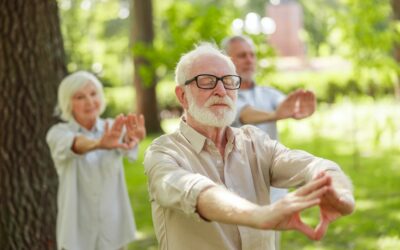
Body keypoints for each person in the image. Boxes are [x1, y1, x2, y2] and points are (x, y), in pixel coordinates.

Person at [143, 43, 355, 250]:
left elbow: (312, 165)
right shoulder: (163, 152)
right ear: (182, 96)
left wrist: (340, 192)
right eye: (206, 81)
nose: (221, 90)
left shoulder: (254, 141)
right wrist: (258, 215)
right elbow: (194, 191)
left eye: (228, 81)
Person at [222, 35, 317, 249]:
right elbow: (245, 115)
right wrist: (275, 115)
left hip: (272, 188)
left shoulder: (268, 93)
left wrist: (297, 108)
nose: (249, 60)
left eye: (252, 55)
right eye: (242, 55)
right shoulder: (224, 96)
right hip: (236, 188)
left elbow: (286, 104)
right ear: (227, 60)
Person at [46, 71, 146, 250]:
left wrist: (133, 138)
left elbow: (129, 145)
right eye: (80, 97)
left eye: (93, 94)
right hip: (77, 234)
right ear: (68, 103)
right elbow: (75, 144)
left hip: (113, 231)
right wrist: (99, 144)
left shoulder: (113, 128)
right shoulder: (58, 133)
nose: (89, 102)